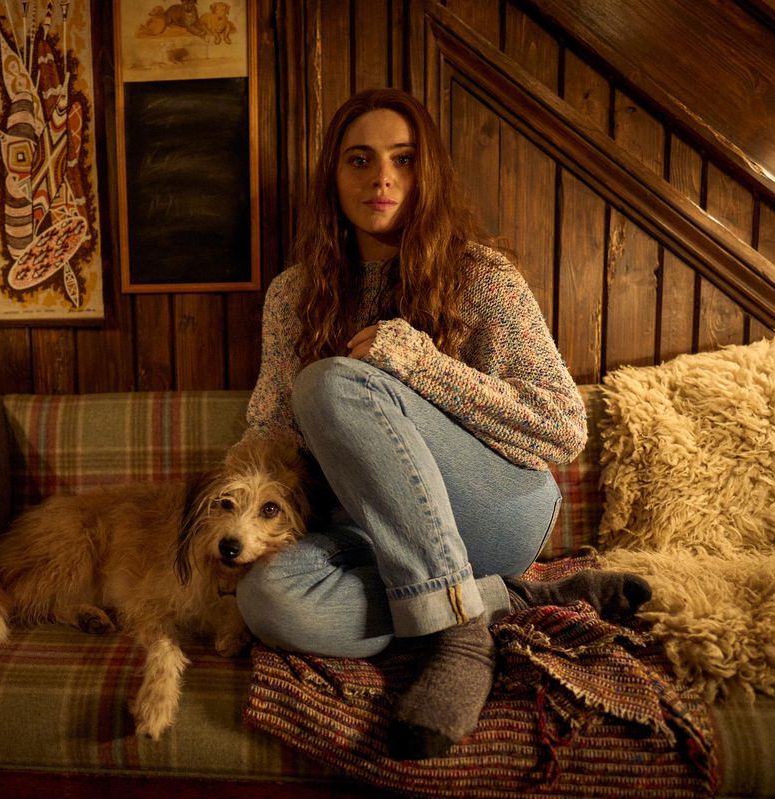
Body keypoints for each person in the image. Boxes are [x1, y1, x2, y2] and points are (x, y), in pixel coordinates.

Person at [235, 88, 650, 760]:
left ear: (427, 173)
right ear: (333, 176)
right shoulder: (293, 293)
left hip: (498, 508)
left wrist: (421, 364)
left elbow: (562, 427)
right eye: (360, 159)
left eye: (403, 159)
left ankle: (458, 639)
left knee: (330, 382)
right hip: (370, 529)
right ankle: (502, 600)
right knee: (267, 599)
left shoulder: (482, 276)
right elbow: (268, 432)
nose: (382, 178)